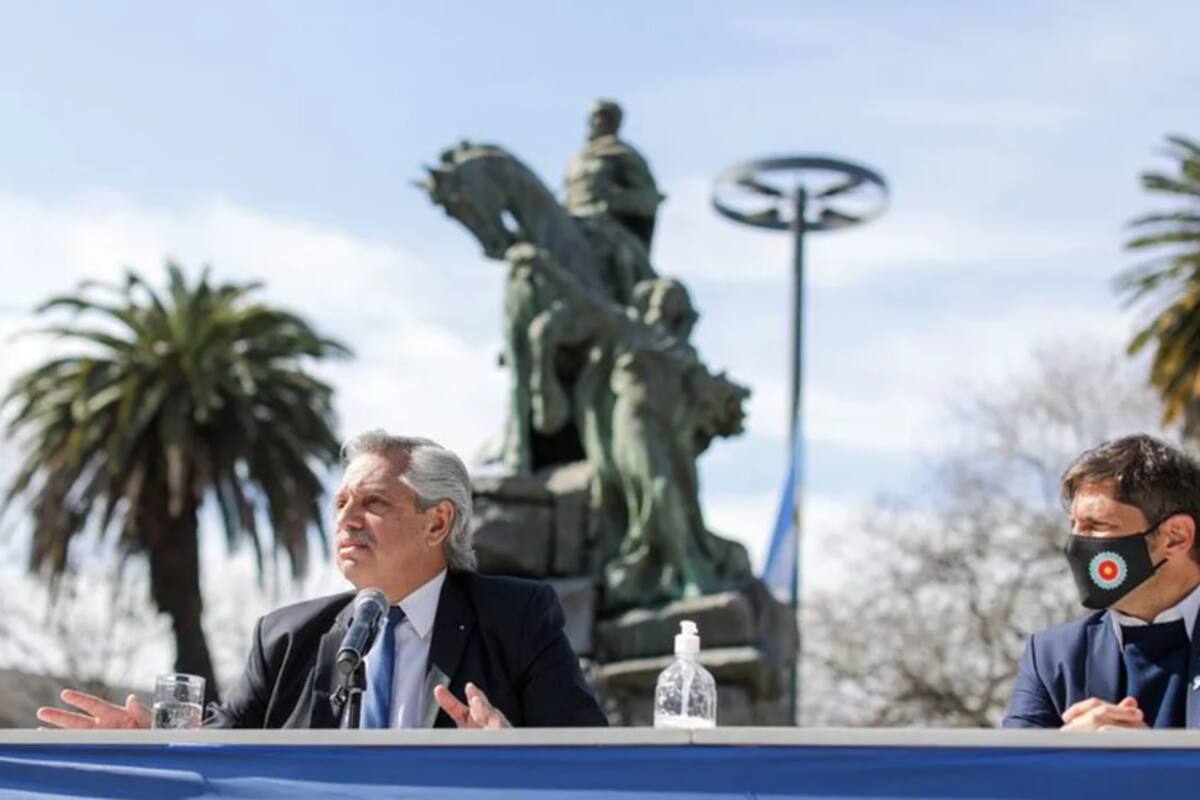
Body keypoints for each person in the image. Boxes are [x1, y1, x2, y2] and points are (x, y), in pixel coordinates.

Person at [37, 431, 607, 730]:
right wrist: (152, 746)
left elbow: (592, 761)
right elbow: (219, 747)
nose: (347, 518)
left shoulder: (518, 618)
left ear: (438, 522)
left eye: (374, 502)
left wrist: (516, 751)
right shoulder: (286, 638)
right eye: (341, 502)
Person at [1003, 434, 1200, 730]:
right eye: (1075, 526)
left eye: (1096, 526)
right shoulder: (1052, 657)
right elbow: (1011, 774)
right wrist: (1069, 756)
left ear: (1176, 536)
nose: (1076, 544)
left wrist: (1158, 765)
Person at [564, 99, 663, 249]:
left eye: (599, 117)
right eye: (591, 118)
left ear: (612, 122)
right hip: (571, 222)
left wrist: (614, 201)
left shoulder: (624, 155)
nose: (592, 122)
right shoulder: (577, 160)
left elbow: (648, 199)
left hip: (606, 229)